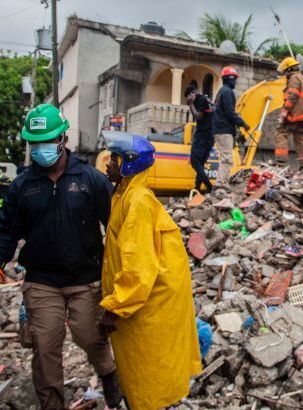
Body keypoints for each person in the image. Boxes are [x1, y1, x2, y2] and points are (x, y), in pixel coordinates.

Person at [0, 103, 122, 409]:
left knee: (90, 337)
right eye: (36, 143)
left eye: (47, 142)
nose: (41, 149)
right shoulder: (22, 186)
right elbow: (4, 230)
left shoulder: (90, 179)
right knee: (45, 348)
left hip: (86, 278)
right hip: (42, 281)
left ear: (63, 139)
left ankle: (109, 373)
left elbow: (118, 226)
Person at [99, 132, 201, 409]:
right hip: (144, 302)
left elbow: (138, 265)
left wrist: (115, 307)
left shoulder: (138, 202)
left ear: (128, 163)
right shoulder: (126, 195)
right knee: (146, 373)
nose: (107, 164)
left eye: (113, 159)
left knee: (148, 376)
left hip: (145, 305)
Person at [212, 65, 250, 187]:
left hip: (220, 129)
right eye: (234, 79)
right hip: (224, 130)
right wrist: (242, 123)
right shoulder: (227, 92)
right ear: (230, 79)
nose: (235, 82)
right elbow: (230, 112)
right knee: (227, 158)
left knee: (226, 157)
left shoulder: (221, 92)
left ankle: (222, 182)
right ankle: (221, 183)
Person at [275, 57, 303, 167]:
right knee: (300, 137)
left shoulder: (293, 79)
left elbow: (293, 95)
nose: (285, 74)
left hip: (295, 114)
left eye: (285, 71)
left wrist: (284, 111)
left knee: (281, 132)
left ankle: (281, 161)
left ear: (289, 69)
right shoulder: (302, 79)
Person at [186, 85, 214, 192]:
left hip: (203, 135)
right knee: (200, 163)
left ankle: (209, 186)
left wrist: (191, 104)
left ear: (192, 94)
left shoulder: (200, 100)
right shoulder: (206, 99)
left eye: (188, 97)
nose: (187, 100)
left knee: (194, 161)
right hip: (210, 136)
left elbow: (198, 117)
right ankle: (197, 188)